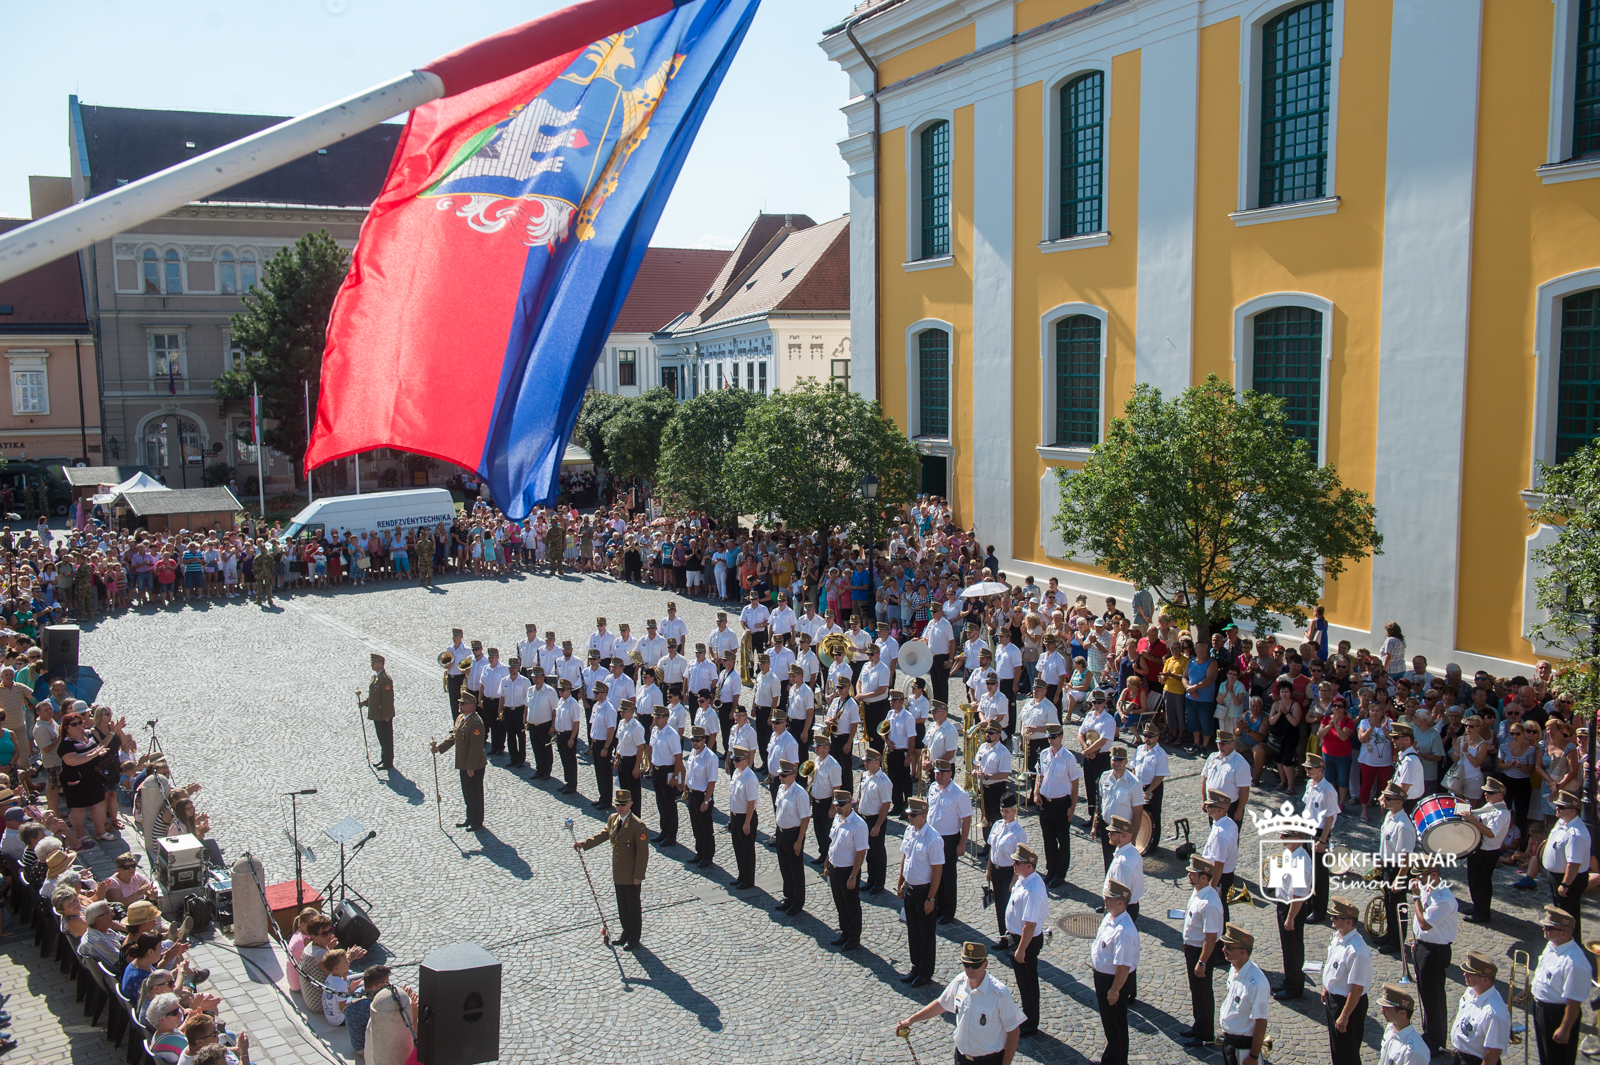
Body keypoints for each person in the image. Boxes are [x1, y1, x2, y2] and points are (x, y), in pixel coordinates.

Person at [894, 942, 1025, 1065]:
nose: (970, 969)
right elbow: (940, 1004)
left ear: (985, 964)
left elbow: (1014, 1031)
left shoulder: (999, 994)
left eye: (975, 965)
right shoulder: (959, 982)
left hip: (988, 1061)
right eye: (966, 964)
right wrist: (911, 1020)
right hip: (962, 1058)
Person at [575, 788, 650, 950]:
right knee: (622, 906)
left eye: (623, 804)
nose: (620, 807)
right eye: (617, 805)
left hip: (631, 874)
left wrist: (638, 875)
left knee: (633, 907)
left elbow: (642, 854)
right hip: (619, 872)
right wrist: (584, 844)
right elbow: (604, 835)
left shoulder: (638, 826)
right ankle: (626, 931)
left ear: (630, 804)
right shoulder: (613, 819)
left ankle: (634, 937)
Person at [1410, 862, 1458, 1054]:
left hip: (1435, 950)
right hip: (1423, 945)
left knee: (1434, 996)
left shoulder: (1444, 899)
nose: (1418, 880)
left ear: (1434, 875)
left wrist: (1415, 897)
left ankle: (1436, 1040)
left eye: (1421, 876)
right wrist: (1416, 941)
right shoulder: (1426, 887)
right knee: (1425, 993)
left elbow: (1425, 924)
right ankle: (1428, 1032)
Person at [1090, 879, 1139, 1065]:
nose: (1105, 900)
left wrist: (1115, 990)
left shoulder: (1124, 931)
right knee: (1109, 1023)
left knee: (1116, 1025)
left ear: (1120, 903)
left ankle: (1117, 1061)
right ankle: (1110, 1057)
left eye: (1109, 898)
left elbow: (1123, 967)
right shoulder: (1111, 916)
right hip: (1105, 978)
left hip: (1114, 981)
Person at [897, 797, 944, 987]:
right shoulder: (909, 831)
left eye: (914, 815)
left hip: (924, 891)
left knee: (926, 933)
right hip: (909, 888)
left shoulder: (933, 839)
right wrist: (900, 882)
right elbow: (905, 857)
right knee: (913, 931)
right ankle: (915, 965)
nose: (910, 818)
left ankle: (925, 971)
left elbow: (937, 871)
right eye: (910, 815)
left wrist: (930, 898)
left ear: (924, 816)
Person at [1533, 903, 1587, 1065]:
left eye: (1549, 928)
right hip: (1542, 1009)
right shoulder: (1553, 944)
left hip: (1557, 1015)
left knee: (1558, 1060)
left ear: (1564, 933)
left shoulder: (1575, 963)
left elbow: (1574, 1002)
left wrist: (1565, 1028)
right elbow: (1542, 971)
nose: (1544, 929)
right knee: (1546, 1057)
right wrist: (1530, 990)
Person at [1321, 897, 1372, 1065]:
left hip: (1348, 1005)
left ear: (1348, 922)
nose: (1331, 919)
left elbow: (1356, 989)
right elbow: (1332, 965)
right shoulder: (1338, 937)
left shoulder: (1357, 950)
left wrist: (1344, 1016)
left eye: (1336, 917)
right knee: (1337, 1049)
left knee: (1348, 1054)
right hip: (1334, 1000)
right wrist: (1326, 988)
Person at [1002, 844, 1047, 1037]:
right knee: (1023, 981)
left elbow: (1030, 925)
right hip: (1018, 938)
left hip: (1025, 941)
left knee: (1028, 983)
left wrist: (1020, 950)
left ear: (1029, 865)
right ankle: (1027, 1015)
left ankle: (1030, 1022)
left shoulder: (1033, 890)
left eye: (1017, 862)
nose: (1013, 864)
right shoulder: (1024, 879)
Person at [1178, 855, 1223, 1048]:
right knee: (1196, 991)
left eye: (1192, 873)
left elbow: (1210, 938)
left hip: (1201, 952)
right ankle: (1198, 1025)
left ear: (1204, 877)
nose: (1189, 875)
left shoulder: (1209, 903)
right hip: (1193, 949)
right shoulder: (1199, 891)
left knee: (1203, 993)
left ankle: (1205, 1033)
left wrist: (1202, 962)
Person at [1216, 922, 1270, 1065]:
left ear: (1243, 952)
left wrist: (1253, 1056)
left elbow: (1261, 1022)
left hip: (1243, 1045)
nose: (1223, 949)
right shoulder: (1234, 968)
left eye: (1229, 947)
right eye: (1224, 945)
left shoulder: (1257, 984)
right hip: (1230, 1042)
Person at [431, 696, 487, 831]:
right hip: (463, 763)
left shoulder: (476, 723)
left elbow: (476, 748)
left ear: (472, 706)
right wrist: (440, 748)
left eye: (463, 704)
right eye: (460, 703)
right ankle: (470, 818)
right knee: (467, 793)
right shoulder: (461, 718)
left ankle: (477, 821)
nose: (460, 705)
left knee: (475, 793)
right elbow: (454, 736)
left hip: (474, 766)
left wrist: (471, 767)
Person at [1032, 724, 1079, 885]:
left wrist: (1072, 807)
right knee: (1048, 839)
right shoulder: (1044, 754)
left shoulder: (1068, 758)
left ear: (1061, 737)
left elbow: (1075, 783)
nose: (1050, 740)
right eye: (1049, 737)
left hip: (1061, 803)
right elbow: (1040, 774)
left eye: (1053, 737)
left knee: (1063, 840)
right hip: (1046, 802)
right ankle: (1050, 869)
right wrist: (1036, 792)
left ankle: (1060, 873)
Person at [927, 758, 973, 923]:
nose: (938, 776)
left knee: (947, 876)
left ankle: (948, 911)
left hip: (949, 839)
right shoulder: (932, 788)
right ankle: (936, 906)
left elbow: (966, 820)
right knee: (933, 873)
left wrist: (962, 844)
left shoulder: (959, 794)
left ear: (950, 774)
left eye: (942, 774)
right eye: (937, 773)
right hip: (932, 837)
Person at [1269, 830, 1312, 1000]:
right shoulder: (1291, 853)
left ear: (1296, 838)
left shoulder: (1300, 862)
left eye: (1285, 836)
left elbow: (1299, 895)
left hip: (1292, 908)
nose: (1281, 838)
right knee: (1287, 948)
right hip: (1284, 905)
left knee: (1293, 949)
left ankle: (1294, 988)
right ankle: (1289, 981)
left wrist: (1290, 918)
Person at [1461, 777, 1511, 922]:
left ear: (1500, 795)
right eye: (1485, 792)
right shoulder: (1490, 806)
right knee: (1474, 880)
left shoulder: (1501, 813)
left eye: (1490, 792)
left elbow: (1491, 833)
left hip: (1487, 852)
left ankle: (1482, 913)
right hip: (1478, 848)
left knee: (1482, 883)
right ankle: (1477, 906)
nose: (1486, 794)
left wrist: (1472, 820)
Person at [1543, 787, 1591, 938]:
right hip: (1558, 876)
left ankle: (1572, 943)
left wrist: (1565, 884)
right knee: (1560, 914)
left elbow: (1574, 863)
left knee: (1568, 916)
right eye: (1557, 805)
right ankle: (1560, 941)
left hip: (1569, 879)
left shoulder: (1575, 834)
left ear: (1573, 810)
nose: (1557, 808)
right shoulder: (1562, 822)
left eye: (1561, 807)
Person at [824, 789, 867, 951]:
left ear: (850, 804)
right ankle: (845, 932)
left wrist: (853, 876)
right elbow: (833, 842)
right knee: (840, 904)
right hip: (835, 867)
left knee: (851, 905)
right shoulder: (838, 819)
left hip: (848, 871)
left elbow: (861, 852)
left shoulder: (858, 825)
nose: (838, 808)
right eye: (836, 805)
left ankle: (854, 937)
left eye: (841, 805)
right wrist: (828, 860)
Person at [1450, 950, 1510, 1065]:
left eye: (1470, 974)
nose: (1464, 974)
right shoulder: (1471, 990)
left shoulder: (1494, 1013)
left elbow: (1493, 1053)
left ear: (1485, 979)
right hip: (1460, 1056)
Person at [986, 792, 1026, 947]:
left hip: (1009, 873)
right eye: (1002, 811)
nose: (1003, 814)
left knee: (1011, 908)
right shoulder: (997, 825)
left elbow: (1020, 860)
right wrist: (988, 869)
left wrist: (1013, 881)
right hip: (996, 870)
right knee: (1000, 906)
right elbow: (992, 849)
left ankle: (1013, 940)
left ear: (1014, 811)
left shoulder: (1019, 833)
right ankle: (1003, 937)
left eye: (1007, 811)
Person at [1202, 791, 1240, 924]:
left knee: (1218, 907)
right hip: (1224, 874)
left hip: (1219, 876)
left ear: (1220, 810)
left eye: (1210, 806)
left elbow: (1219, 864)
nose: (1206, 807)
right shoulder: (1229, 823)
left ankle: (1221, 933)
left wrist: (1211, 888)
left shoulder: (1220, 833)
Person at [856, 748, 891, 894]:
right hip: (864, 818)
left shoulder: (883, 782)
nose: (865, 764)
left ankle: (879, 882)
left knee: (878, 852)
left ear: (877, 762)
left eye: (868, 762)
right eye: (865, 761)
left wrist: (877, 825)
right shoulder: (866, 776)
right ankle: (871, 879)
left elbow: (886, 805)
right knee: (869, 852)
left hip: (876, 819)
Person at [683, 727, 718, 868]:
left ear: (704, 740)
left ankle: (708, 855)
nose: (694, 743)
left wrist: (706, 801)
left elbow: (711, 781)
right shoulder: (693, 752)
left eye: (697, 740)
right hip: (692, 794)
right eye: (693, 740)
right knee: (696, 826)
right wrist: (686, 789)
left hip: (702, 795)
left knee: (706, 828)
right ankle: (699, 852)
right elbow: (690, 773)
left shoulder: (710, 758)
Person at [725, 746, 760, 889]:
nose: (734, 762)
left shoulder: (750, 778)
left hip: (746, 817)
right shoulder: (736, 773)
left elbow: (751, 802)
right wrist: (731, 817)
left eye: (737, 760)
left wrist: (747, 823)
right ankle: (741, 875)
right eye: (734, 760)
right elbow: (733, 798)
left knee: (747, 850)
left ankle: (748, 879)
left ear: (746, 760)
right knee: (738, 848)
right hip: (736, 816)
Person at [1101, 816, 1145, 923]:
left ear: (1123, 836)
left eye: (1113, 833)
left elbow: (1120, 896)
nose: (1109, 834)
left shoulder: (1122, 863)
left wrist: (1112, 914)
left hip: (1120, 910)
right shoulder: (1132, 851)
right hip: (1129, 907)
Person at [357, 653, 395, 771]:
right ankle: (384, 758)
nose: (372, 665)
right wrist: (364, 703)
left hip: (383, 715)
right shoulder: (376, 677)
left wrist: (387, 714)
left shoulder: (385, 679)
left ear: (380, 664)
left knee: (386, 739)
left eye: (373, 663)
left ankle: (388, 761)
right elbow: (374, 697)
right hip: (377, 714)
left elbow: (388, 699)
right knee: (381, 738)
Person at [1377, 982, 1429, 1065]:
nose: (1382, 1010)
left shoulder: (1414, 1052)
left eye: (1386, 1008)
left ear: (1402, 1013)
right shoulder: (1390, 1028)